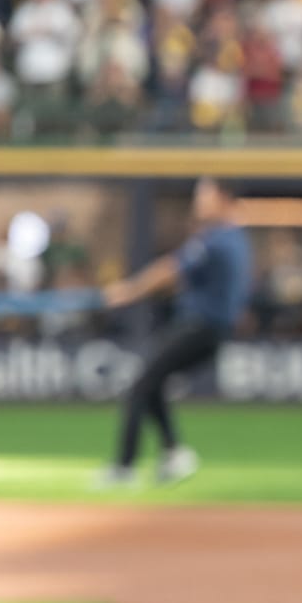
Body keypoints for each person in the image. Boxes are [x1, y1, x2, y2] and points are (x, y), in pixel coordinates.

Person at [97, 177, 251, 486]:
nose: (198, 201)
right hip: (209, 329)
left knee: (141, 385)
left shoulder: (215, 239)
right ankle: (174, 452)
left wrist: (130, 290)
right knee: (151, 383)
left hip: (200, 327)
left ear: (223, 198)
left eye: (204, 195)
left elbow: (171, 268)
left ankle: (124, 468)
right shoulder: (234, 239)